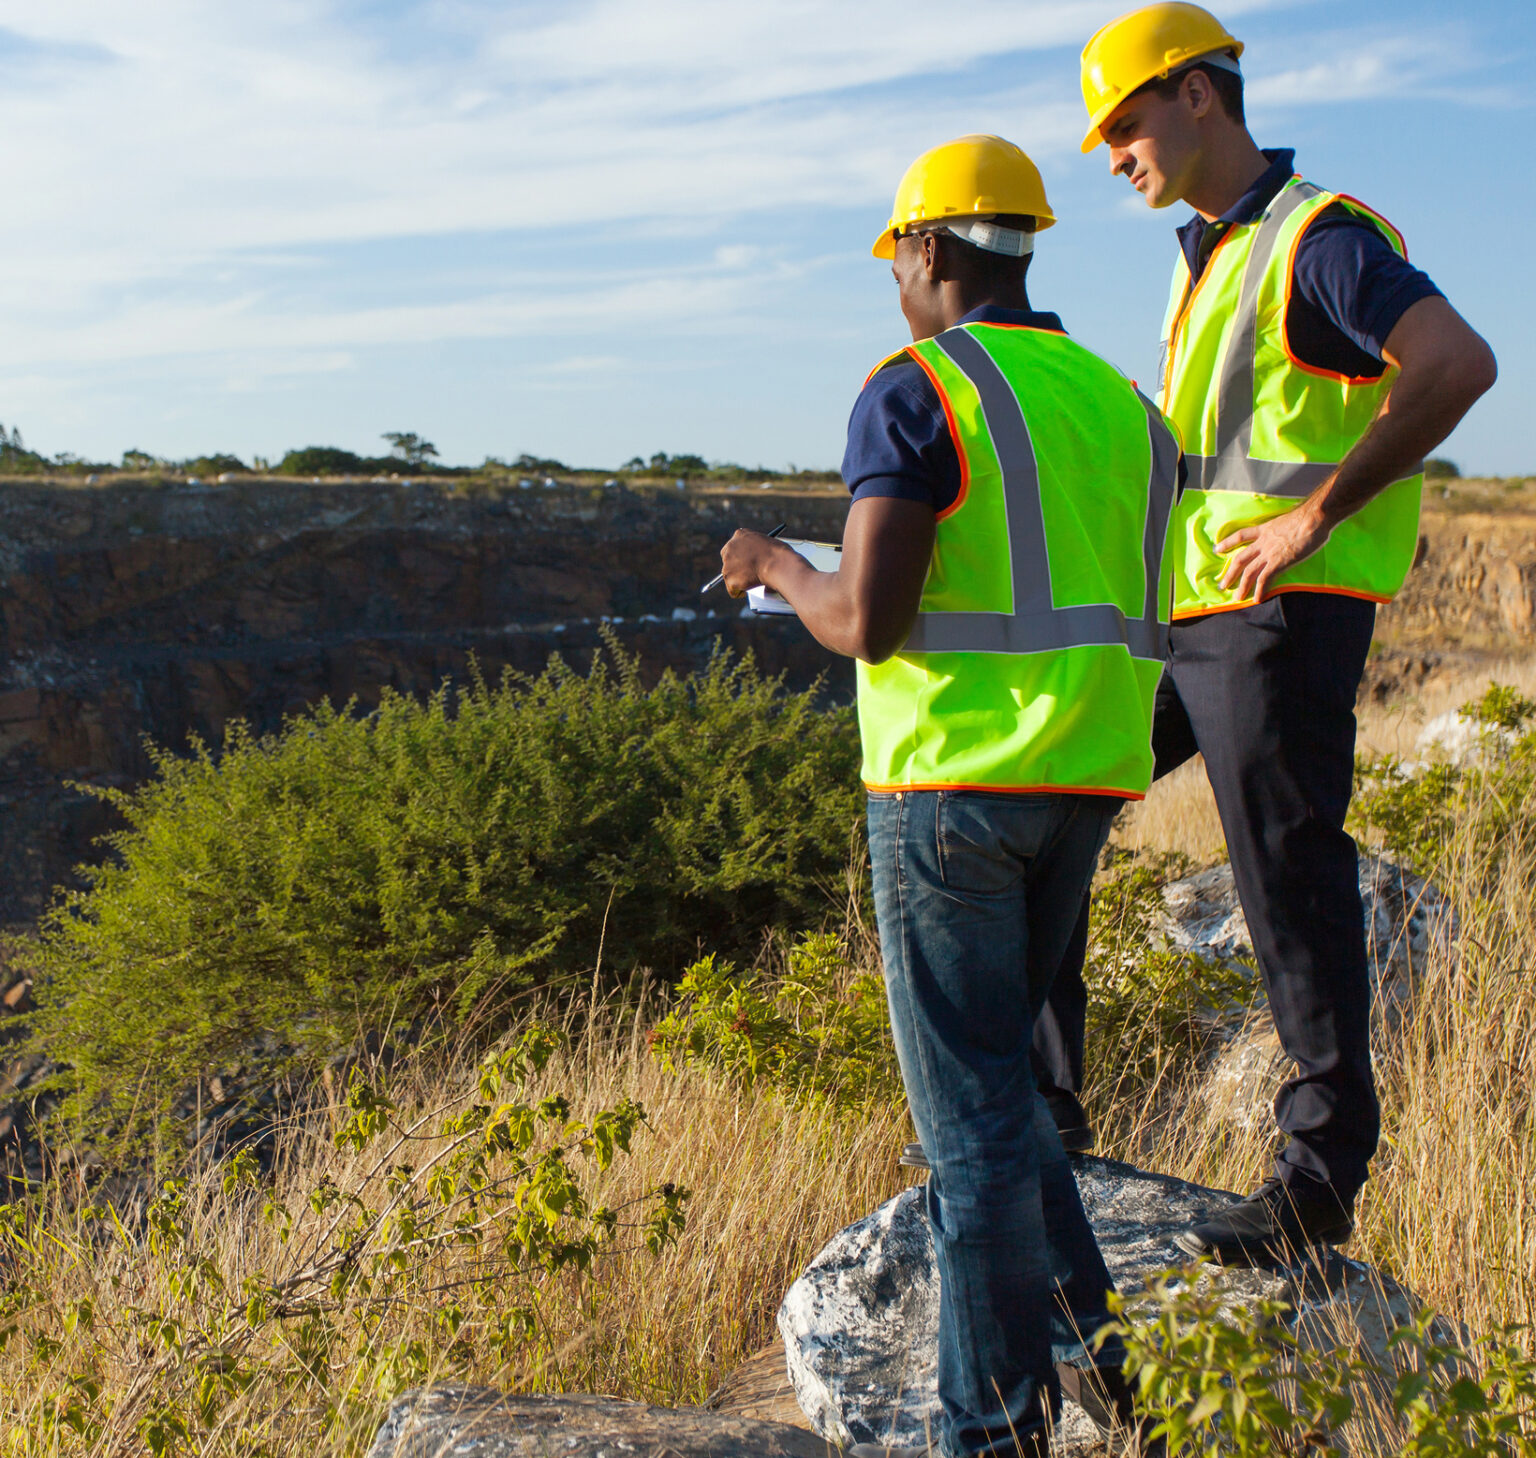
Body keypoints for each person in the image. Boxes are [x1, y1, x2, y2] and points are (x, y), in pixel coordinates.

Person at [720, 133, 1179, 1458]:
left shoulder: (913, 389)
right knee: (1009, 1101)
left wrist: (773, 564)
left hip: (949, 790)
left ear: (924, 250)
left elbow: (868, 617)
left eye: (897, 261)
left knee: (972, 1126)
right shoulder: (1117, 404)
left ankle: (990, 1434)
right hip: (1083, 782)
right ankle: (1123, 1375)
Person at [1039, 1, 1497, 1266]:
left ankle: (1316, 1178)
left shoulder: (1318, 238)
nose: (1113, 152)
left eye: (1123, 124)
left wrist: (1315, 517)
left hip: (1280, 616)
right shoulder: (1210, 256)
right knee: (1051, 793)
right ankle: (1043, 1113)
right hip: (1192, 614)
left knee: (1285, 872)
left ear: (1198, 95)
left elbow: (1456, 364)